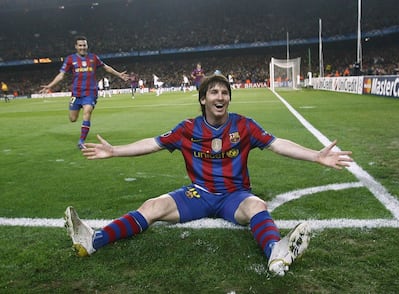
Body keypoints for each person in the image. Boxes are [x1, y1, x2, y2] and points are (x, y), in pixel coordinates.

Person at [65, 74, 353, 276]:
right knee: (152, 206)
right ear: (203, 99)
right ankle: (94, 241)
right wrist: (115, 151)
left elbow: (279, 145)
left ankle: (276, 253)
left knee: (257, 206)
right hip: (199, 194)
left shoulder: (244, 125)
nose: (221, 96)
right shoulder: (187, 129)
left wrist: (316, 155)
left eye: (225, 93)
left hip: (234, 197)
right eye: (214, 92)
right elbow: (152, 144)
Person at [39, 36, 129, 149]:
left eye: (84, 45)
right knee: (73, 119)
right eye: (80, 45)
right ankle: (76, 112)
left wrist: (119, 74)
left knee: (87, 112)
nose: (82, 47)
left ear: (87, 46)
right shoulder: (70, 59)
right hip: (76, 93)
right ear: (76, 47)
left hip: (90, 92)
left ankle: (81, 141)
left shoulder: (94, 58)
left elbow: (106, 68)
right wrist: (50, 86)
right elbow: (61, 75)